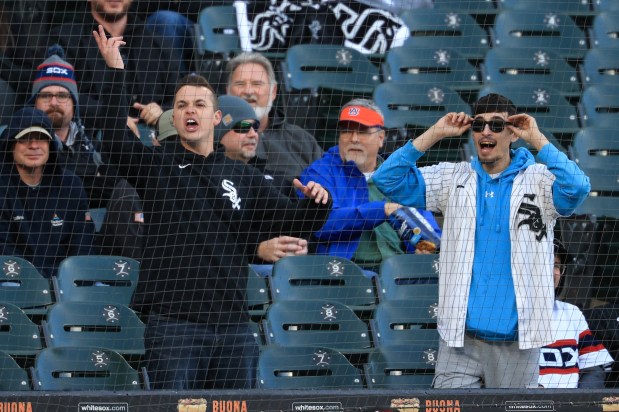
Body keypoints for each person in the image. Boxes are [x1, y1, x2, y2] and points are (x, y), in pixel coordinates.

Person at [93, 29, 331, 390]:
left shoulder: (244, 176)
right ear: (175, 116)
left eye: (200, 105)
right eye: (183, 105)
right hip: (175, 327)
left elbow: (295, 221)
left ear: (217, 118)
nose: (190, 110)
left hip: (235, 329)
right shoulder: (154, 167)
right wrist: (114, 71)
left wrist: (317, 201)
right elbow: (112, 137)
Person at [373, 93, 591, 389]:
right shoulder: (453, 177)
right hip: (460, 341)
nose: (486, 131)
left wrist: (537, 139)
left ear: (513, 132)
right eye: (479, 125)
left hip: (519, 342)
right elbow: (387, 180)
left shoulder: (540, 180)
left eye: (497, 125)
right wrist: (436, 132)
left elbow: (578, 187)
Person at [298, 98, 441, 273]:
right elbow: (320, 224)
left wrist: (423, 248)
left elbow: (427, 226)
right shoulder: (319, 173)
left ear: (381, 138)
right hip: (344, 274)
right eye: (347, 131)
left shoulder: (402, 175)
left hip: (401, 274)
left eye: (363, 131)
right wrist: (381, 210)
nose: (354, 139)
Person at [49, 0, 182, 134]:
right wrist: (112, 117)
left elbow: (179, 95)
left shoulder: (159, 44)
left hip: (152, 146)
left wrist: (163, 112)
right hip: (89, 143)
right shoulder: (63, 39)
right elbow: (56, 94)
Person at [0, 107, 97, 278]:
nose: (34, 145)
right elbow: (4, 248)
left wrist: (63, 281)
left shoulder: (71, 185)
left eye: (42, 139)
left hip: (65, 282)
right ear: (10, 145)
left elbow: (82, 242)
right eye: (25, 139)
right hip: (11, 281)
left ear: (51, 145)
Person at [215, 95, 308, 265]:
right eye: (243, 127)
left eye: (255, 127)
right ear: (219, 131)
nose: (253, 134)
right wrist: (257, 247)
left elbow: (296, 225)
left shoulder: (277, 181)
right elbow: (214, 234)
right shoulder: (203, 177)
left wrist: (317, 202)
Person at [225, 52, 323, 181]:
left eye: (257, 84)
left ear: (274, 92)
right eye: (240, 84)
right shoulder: (215, 137)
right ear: (227, 91)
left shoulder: (302, 140)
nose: (248, 91)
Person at [538, 238, 614, 388]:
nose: (551, 271)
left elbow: (593, 369)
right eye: (543, 263)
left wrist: (580, 403)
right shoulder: (504, 318)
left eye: (556, 265)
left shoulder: (572, 313)